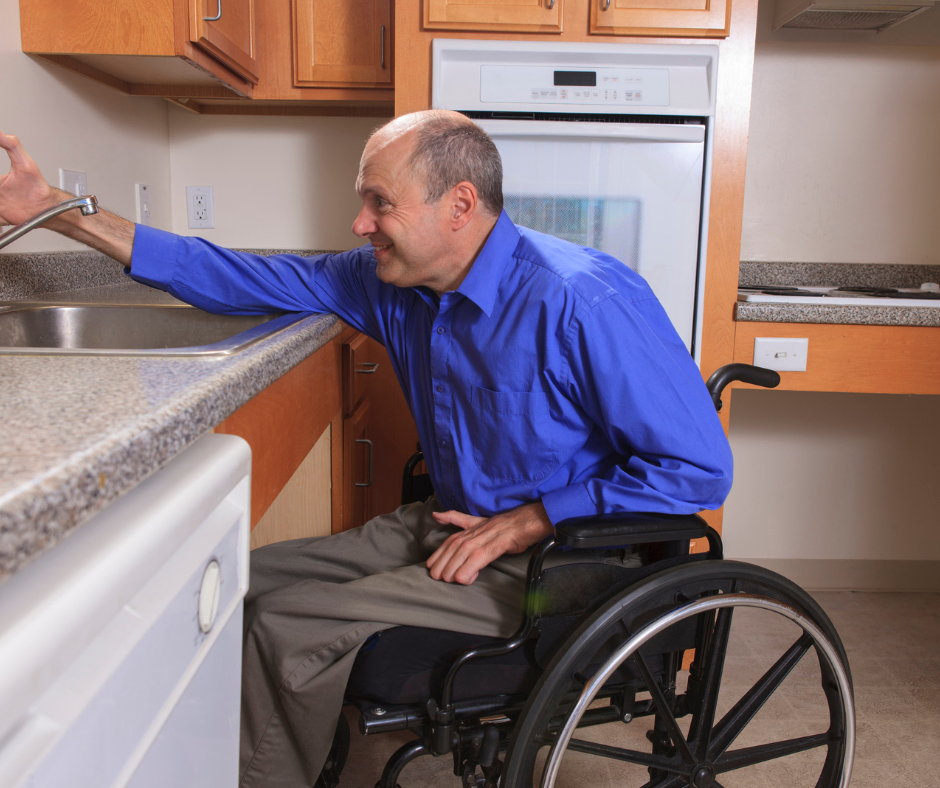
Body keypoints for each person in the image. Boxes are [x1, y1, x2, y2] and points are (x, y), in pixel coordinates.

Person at [0, 111, 733, 787]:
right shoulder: (391, 283)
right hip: (448, 523)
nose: (359, 223)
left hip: (561, 561)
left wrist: (533, 518)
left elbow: (700, 468)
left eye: (380, 203)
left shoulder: (581, 299)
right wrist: (61, 214)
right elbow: (230, 274)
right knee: (227, 583)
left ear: (460, 205)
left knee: (287, 628)